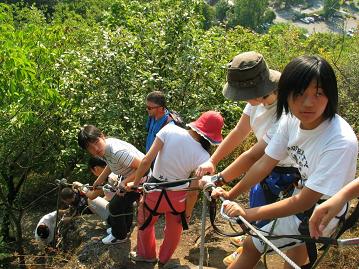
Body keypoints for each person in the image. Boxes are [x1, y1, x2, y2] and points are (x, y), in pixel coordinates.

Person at [217, 55, 358, 269]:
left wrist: (248, 213)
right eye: (299, 94)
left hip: (322, 210)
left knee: (252, 245)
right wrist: (230, 194)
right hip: (303, 196)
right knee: (294, 259)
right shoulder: (291, 120)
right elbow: (265, 163)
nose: (308, 103)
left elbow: (304, 202)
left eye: (318, 93)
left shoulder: (339, 140)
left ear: (330, 94)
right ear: (286, 94)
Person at [196, 51, 298, 266]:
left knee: (265, 229)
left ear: (256, 91)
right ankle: (250, 245)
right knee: (255, 220)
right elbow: (239, 131)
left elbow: (253, 155)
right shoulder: (256, 100)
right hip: (266, 170)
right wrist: (212, 161)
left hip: (286, 173)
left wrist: (221, 180)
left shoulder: (286, 113)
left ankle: (250, 250)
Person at [126, 111, 224, 265]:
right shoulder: (205, 157)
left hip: (154, 191)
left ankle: (147, 255)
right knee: (174, 229)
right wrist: (187, 213)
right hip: (178, 198)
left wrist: (136, 183)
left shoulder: (169, 129)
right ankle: (164, 260)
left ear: (197, 122)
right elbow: (193, 191)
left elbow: (146, 161)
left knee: (145, 223)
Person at [78, 125, 145, 244]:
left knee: (115, 206)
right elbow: (111, 164)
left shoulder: (116, 151)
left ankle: (119, 235)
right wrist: (100, 179)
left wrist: (125, 182)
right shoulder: (107, 148)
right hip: (133, 178)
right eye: (89, 147)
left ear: (102, 136)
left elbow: (143, 166)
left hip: (142, 180)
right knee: (124, 204)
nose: (95, 148)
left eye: (95, 141)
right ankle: (124, 230)